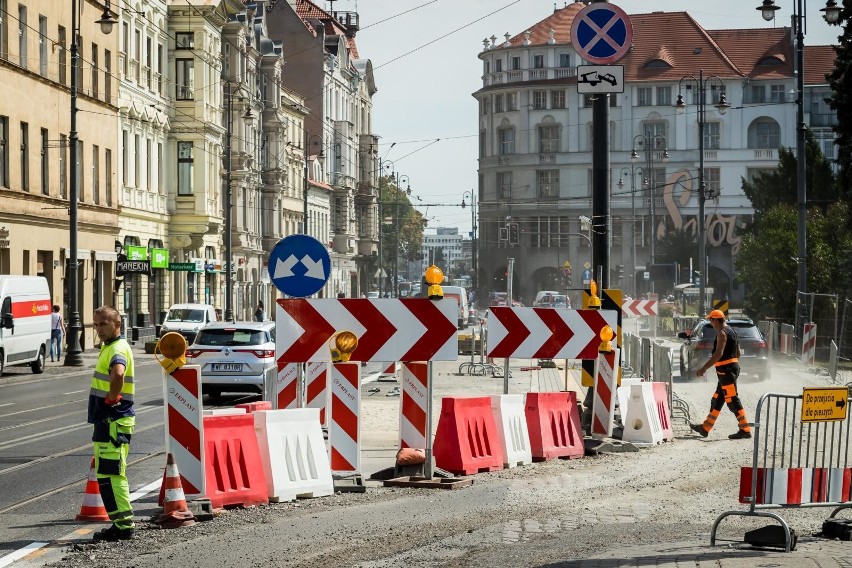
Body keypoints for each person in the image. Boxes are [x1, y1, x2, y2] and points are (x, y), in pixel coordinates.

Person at [88, 306, 136, 541]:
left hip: (112, 420)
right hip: (110, 421)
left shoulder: (116, 348)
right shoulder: (111, 347)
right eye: (96, 325)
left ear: (117, 325)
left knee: (113, 474)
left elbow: (118, 374)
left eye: (104, 324)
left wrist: (110, 398)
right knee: (107, 474)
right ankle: (120, 523)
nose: (99, 330)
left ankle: (124, 526)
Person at [691, 310, 752, 440]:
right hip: (728, 370)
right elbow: (738, 353)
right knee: (718, 398)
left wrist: (703, 369)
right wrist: (732, 366)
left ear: (716, 320)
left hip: (726, 371)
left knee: (732, 399)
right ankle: (705, 428)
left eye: (711, 320)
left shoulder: (722, 333)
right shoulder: (732, 331)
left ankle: (745, 429)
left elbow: (718, 354)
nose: (710, 323)